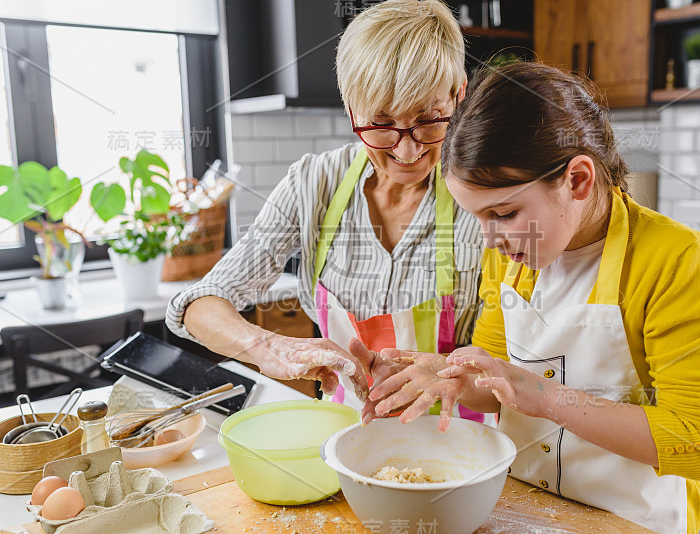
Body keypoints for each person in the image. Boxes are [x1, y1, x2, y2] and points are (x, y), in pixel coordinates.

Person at [362, 62, 700, 534]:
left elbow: (698, 443)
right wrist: (444, 377)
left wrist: (543, 395)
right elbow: (499, 385)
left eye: (503, 212)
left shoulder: (676, 260)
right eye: (478, 218)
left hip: (631, 522)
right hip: (523, 510)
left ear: (578, 180)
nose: (489, 239)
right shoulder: (513, 256)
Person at [166, 0, 492, 423]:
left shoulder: (490, 194)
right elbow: (198, 305)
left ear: (459, 93)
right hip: (347, 435)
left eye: (429, 120)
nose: (408, 151)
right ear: (351, 107)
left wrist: (454, 371)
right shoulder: (314, 184)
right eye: (380, 124)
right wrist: (270, 348)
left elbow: (519, 355)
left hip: (461, 444)